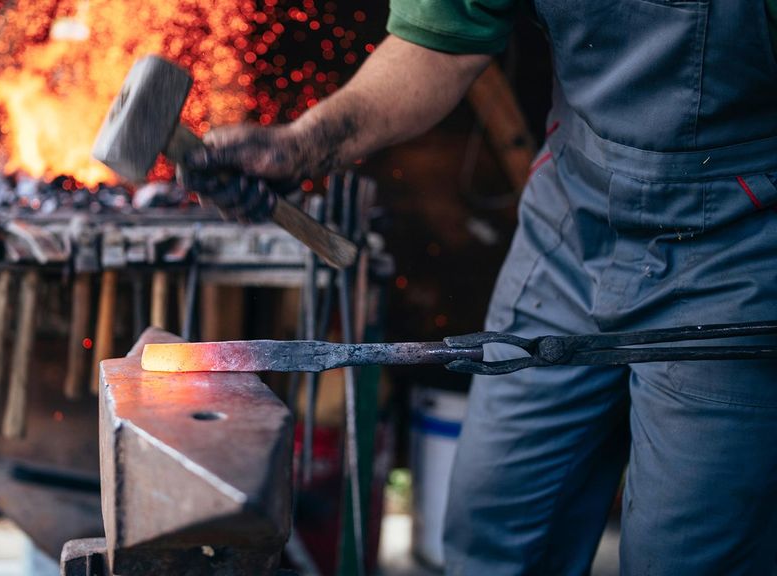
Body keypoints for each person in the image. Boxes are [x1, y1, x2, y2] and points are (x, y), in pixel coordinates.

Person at [181, 1, 777, 574]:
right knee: (499, 522)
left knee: (689, 552)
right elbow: (439, 41)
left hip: (740, 243)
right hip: (575, 217)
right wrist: (302, 143)